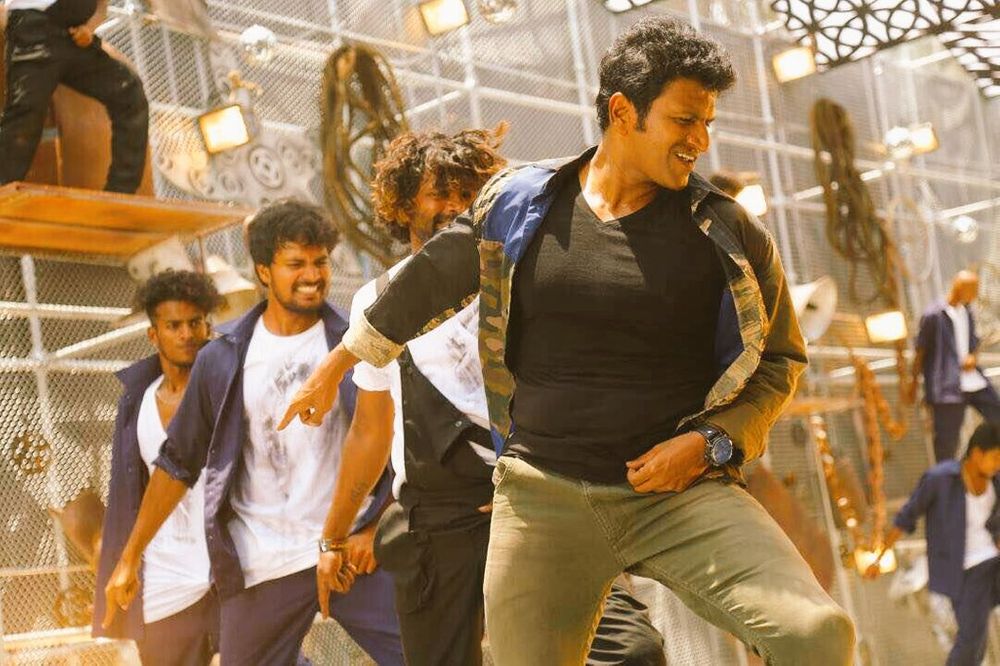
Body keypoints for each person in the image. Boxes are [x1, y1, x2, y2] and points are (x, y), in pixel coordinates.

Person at [283, 16, 854, 665]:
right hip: (539, 499)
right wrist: (336, 366)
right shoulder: (523, 204)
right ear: (623, 112)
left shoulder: (726, 233)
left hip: (675, 493)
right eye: (683, 120)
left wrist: (712, 441)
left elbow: (779, 360)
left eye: (707, 123)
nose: (700, 140)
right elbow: (431, 278)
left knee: (813, 632)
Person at [319, 125, 666, 665]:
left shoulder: (523, 275)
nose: (455, 205)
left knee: (631, 652)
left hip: (536, 499)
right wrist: (333, 538)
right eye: (440, 192)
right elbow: (370, 431)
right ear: (403, 203)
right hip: (439, 522)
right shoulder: (378, 299)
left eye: (468, 192)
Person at [102, 201, 403, 665]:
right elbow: (178, 462)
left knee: (425, 654)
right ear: (264, 271)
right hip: (262, 560)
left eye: (320, 261)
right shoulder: (223, 356)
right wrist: (129, 558)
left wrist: (378, 522)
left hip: (349, 549)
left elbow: (396, 436)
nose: (312, 275)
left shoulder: (357, 343)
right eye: (295, 264)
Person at [93, 270, 223, 665]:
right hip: (165, 585)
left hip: (230, 574)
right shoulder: (136, 404)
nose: (187, 334)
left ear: (208, 327)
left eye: (195, 323)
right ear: (154, 335)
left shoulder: (227, 392)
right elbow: (126, 495)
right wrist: (124, 562)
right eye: (174, 325)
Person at [867, 421, 1000, 665]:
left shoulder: (996, 481)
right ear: (977, 453)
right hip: (965, 571)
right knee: (973, 641)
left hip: (994, 562)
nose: (997, 465)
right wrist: (878, 557)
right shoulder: (940, 479)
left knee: (973, 639)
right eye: (995, 458)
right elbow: (907, 516)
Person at [0, 0, 148, 192]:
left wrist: (90, 27)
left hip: (75, 38)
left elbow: (101, 6)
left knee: (128, 91)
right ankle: (2, 188)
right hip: (34, 31)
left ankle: (121, 193)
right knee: (25, 116)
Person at [909, 270, 1000, 461]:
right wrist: (913, 383)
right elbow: (920, 351)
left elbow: (973, 342)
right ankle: (947, 476)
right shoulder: (934, 315)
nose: (975, 295)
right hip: (947, 388)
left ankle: (976, 461)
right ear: (959, 288)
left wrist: (972, 357)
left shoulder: (967, 311)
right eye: (973, 290)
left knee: (996, 414)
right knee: (947, 442)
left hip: (974, 381)